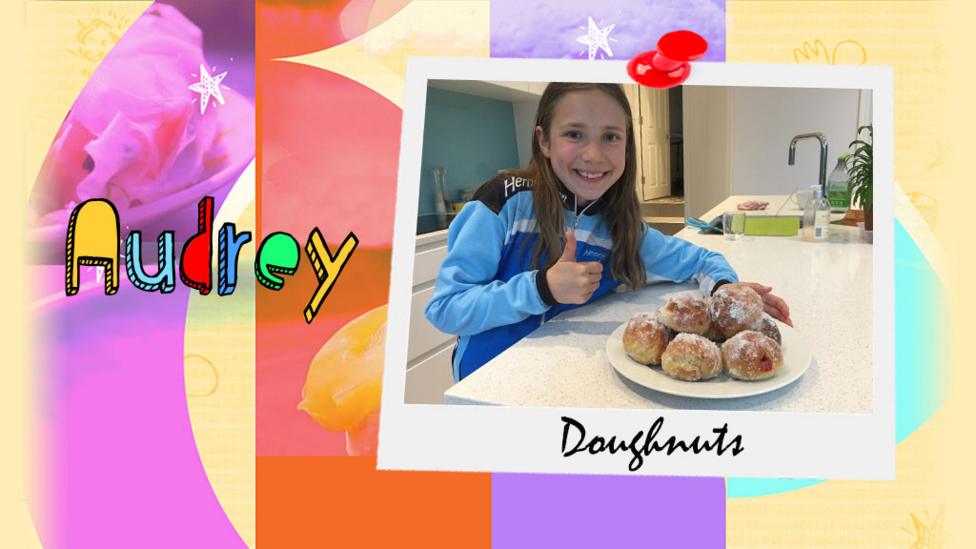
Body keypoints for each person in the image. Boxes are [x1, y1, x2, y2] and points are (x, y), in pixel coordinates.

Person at [425, 82, 791, 382]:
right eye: (574, 134)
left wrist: (728, 294)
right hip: (489, 381)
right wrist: (543, 288)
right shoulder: (503, 201)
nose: (594, 154)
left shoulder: (622, 228)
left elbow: (701, 259)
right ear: (544, 141)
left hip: (573, 383)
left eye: (611, 137)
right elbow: (446, 309)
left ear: (628, 146)